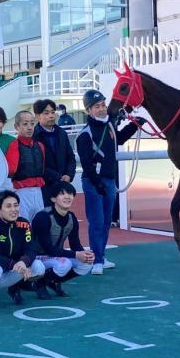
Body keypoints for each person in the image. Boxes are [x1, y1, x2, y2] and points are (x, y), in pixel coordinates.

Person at [74, 89, 139, 275]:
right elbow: (86, 164)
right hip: (93, 182)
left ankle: (100, 256)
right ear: (88, 110)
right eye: (97, 106)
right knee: (96, 221)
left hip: (109, 180)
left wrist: (135, 125)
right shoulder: (85, 134)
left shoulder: (109, 125)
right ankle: (97, 260)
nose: (102, 109)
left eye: (103, 105)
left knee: (106, 222)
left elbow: (119, 139)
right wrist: (97, 183)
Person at [0, 189, 45, 308]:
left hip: (13, 268)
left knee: (39, 267)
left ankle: (14, 288)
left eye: (16, 205)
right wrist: (14, 264)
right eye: (8, 206)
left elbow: (31, 248)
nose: (13, 209)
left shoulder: (24, 224)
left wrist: (23, 261)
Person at [31, 181, 94, 296]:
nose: (67, 197)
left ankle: (53, 281)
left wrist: (85, 254)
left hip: (55, 255)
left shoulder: (71, 217)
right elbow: (48, 248)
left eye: (70, 194)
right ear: (53, 199)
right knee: (64, 264)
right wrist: (76, 254)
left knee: (86, 263)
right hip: (37, 257)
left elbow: (75, 244)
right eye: (62, 194)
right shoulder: (43, 217)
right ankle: (39, 282)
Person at [4, 110, 47, 222]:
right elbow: (11, 171)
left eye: (32, 124)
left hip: (38, 191)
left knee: (40, 226)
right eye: (25, 124)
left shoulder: (40, 146)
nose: (29, 127)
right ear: (16, 126)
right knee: (23, 226)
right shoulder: (14, 145)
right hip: (22, 193)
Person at [33, 98, 77, 200]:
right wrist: (58, 177)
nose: (51, 116)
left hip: (63, 186)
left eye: (53, 112)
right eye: (46, 113)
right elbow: (38, 164)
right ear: (37, 116)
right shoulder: (34, 136)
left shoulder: (62, 133)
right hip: (44, 187)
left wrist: (69, 175)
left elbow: (70, 157)